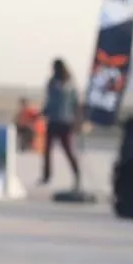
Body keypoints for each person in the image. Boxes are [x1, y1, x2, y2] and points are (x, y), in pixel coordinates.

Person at [41, 58, 82, 186]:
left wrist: (77, 121)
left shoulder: (69, 84)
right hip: (54, 121)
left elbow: (75, 104)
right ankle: (46, 175)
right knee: (47, 150)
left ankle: (77, 175)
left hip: (64, 122)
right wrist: (45, 111)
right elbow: (49, 101)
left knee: (68, 150)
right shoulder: (53, 83)